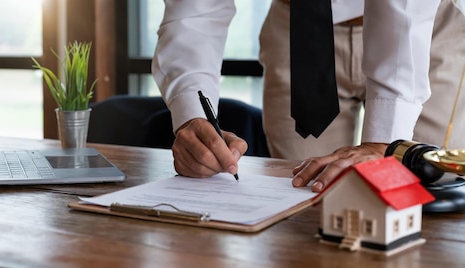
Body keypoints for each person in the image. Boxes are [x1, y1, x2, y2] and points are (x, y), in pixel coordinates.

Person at [152, 0, 458, 192]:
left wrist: (385, 140)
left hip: (422, 29)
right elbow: (196, 10)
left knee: (434, 192)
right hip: (299, 28)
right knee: (301, 198)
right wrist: (193, 113)